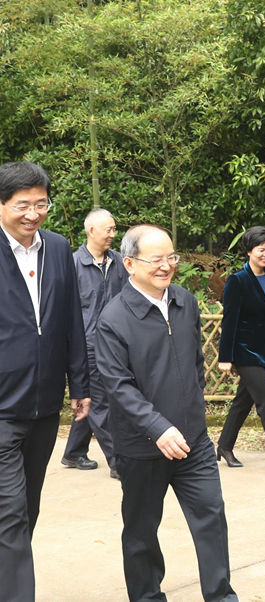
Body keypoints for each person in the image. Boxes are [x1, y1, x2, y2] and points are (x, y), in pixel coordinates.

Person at [95, 225, 238, 602]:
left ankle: (221, 596)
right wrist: (157, 427)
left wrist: (193, 412)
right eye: (155, 259)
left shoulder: (185, 302)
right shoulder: (113, 319)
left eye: (171, 257)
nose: (166, 266)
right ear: (129, 264)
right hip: (142, 448)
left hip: (193, 442)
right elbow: (118, 386)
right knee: (141, 533)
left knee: (211, 519)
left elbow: (195, 362)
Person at [0, 161, 90, 602]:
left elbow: (71, 318)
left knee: (27, 509)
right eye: (22, 205)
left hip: (44, 405)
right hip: (2, 410)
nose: (33, 214)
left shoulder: (57, 247)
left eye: (41, 204)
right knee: (11, 514)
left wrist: (81, 384)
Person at [217, 226, 265, 472]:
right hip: (244, 350)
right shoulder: (238, 280)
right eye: (261, 249)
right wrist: (225, 357)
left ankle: (224, 445)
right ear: (249, 251)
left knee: (243, 400)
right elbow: (230, 321)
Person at [61, 208, 128, 478]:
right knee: (102, 403)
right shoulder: (72, 264)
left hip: (116, 342)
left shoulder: (120, 262)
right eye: (108, 229)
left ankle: (74, 451)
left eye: (114, 229)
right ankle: (118, 462)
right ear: (91, 231)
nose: (113, 234)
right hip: (87, 344)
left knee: (94, 399)